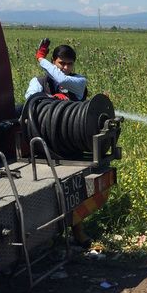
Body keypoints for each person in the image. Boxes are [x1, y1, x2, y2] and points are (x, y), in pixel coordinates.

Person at [25, 39, 92, 247]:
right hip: (45, 147)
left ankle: (78, 231)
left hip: (72, 147)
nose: (65, 68)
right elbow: (30, 103)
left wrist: (40, 59)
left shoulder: (79, 82)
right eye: (61, 63)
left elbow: (60, 77)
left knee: (75, 192)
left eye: (69, 64)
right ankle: (48, 235)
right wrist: (49, 99)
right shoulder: (37, 83)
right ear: (54, 61)